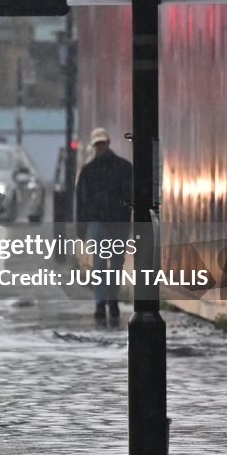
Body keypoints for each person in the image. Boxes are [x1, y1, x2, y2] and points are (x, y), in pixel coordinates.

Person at [75, 127, 133, 328]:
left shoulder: (89, 171)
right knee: (113, 264)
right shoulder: (124, 168)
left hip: (102, 221)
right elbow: (130, 196)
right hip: (116, 221)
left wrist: (81, 228)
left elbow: (82, 201)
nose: (100, 147)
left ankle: (103, 303)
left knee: (103, 264)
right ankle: (111, 302)